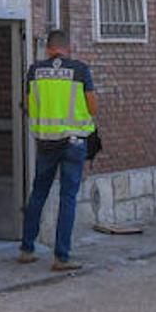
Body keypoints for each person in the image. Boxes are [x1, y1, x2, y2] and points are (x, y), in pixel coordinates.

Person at [19, 29, 97, 271]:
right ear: (68, 47)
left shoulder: (34, 71)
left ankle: (26, 249)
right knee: (67, 198)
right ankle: (61, 257)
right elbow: (92, 107)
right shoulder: (80, 70)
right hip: (73, 142)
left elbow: (28, 105)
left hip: (45, 141)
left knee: (38, 193)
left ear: (48, 48)